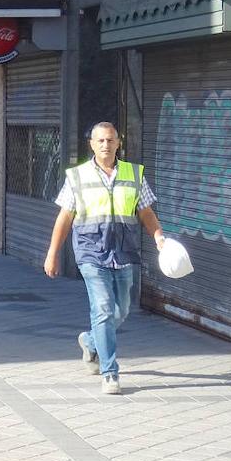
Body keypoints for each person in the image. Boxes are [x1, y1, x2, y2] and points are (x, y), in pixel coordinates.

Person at [43, 121, 166, 395]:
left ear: (118, 142)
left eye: (110, 140)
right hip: (91, 252)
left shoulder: (134, 174)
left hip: (123, 253)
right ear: (92, 144)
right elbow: (64, 217)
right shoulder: (77, 176)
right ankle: (109, 372)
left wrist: (158, 236)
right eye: (100, 141)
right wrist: (52, 253)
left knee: (120, 310)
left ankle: (90, 341)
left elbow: (145, 211)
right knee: (103, 309)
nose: (105, 145)